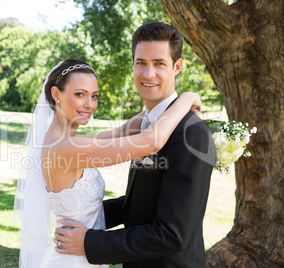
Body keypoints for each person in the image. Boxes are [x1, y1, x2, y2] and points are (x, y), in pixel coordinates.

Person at [53, 22, 217, 267]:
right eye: (141, 63)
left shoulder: (190, 133)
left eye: (159, 63)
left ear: (177, 67)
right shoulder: (149, 124)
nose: (148, 74)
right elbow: (141, 201)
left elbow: (172, 234)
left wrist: (91, 242)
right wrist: (83, 217)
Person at [14, 58, 203, 268]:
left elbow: (122, 132)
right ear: (57, 95)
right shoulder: (65, 149)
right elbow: (151, 141)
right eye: (80, 94)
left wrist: (161, 106)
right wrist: (186, 98)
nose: (89, 104)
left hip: (82, 253)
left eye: (94, 96)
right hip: (74, 260)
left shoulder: (64, 141)